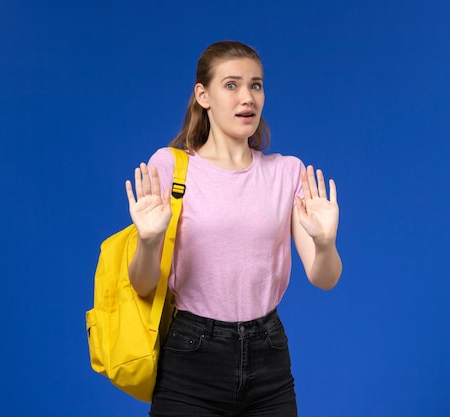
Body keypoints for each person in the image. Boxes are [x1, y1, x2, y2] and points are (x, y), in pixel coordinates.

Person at [125, 40, 342, 417]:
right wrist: (147, 241)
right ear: (203, 95)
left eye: (256, 85)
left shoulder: (286, 172)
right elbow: (142, 285)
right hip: (191, 357)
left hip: (268, 356)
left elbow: (325, 279)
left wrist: (324, 244)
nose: (248, 97)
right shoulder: (172, 169)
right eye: (231, 85)